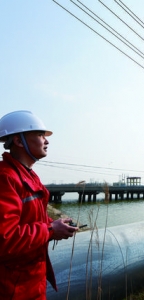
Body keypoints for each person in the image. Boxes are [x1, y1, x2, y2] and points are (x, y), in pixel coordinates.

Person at [0, 110, 78, 300]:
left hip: (30, 282)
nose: (47, 140)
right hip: (13, 288)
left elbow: (28, 219)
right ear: (18, 141)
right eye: (40, 134)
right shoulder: (5, 178)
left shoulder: (27, 175)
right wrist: (51, 229)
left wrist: (56, 224)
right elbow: (5, 239)